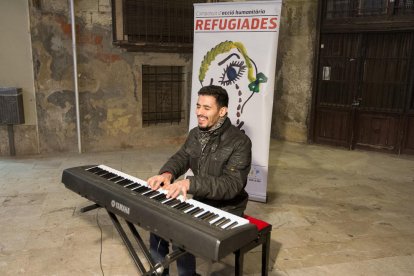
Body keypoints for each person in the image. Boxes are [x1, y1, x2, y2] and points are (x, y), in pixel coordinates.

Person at [147, 85, 252, 276]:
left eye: (206, 108)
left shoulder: (239, 142)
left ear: (222, 111)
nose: (199, 113)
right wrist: (167, 174)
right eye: (198, 106)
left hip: (227, 208)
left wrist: (190, 183)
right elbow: (182, 157)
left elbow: (231, 185)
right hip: (202, 199)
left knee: (181, 231)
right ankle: (159, 272)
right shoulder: (196, 133)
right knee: (157, 219)